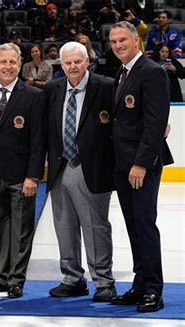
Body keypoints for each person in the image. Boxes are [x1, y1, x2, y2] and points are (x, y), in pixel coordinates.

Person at [44, 41, 117, 302]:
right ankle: (73, 278)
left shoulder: (106, 86)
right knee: (64, 227)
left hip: (92, 169)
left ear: (87, 61)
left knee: (95, 226)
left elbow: (122, 123)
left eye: (78, 61)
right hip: (60, 166)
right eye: (68, 63)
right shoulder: (52, 88)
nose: (73, 67)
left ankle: (104, 281)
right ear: (61, 65)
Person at [108, 21, 172, 313]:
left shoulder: (152, 72)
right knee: (133, 225)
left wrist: (141, 164)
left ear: (136, 41)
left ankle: (154, 290)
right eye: (113, 41)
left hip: (141, 165)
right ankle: (140, 283)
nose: (118, 45)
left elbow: (155, 123)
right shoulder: (121, 73)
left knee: (145, 224)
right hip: (122, 164)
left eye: (123, 40)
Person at [0, 42, 45, 299]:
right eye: (3, 62)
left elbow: (38, 140)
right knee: (0, 227)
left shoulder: (33, 96)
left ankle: (17, 278)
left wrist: (33, 175)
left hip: (21, 175)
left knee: (21, 229)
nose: (8, 66)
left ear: (20, 66)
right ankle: (2, 276)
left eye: (12, 62)